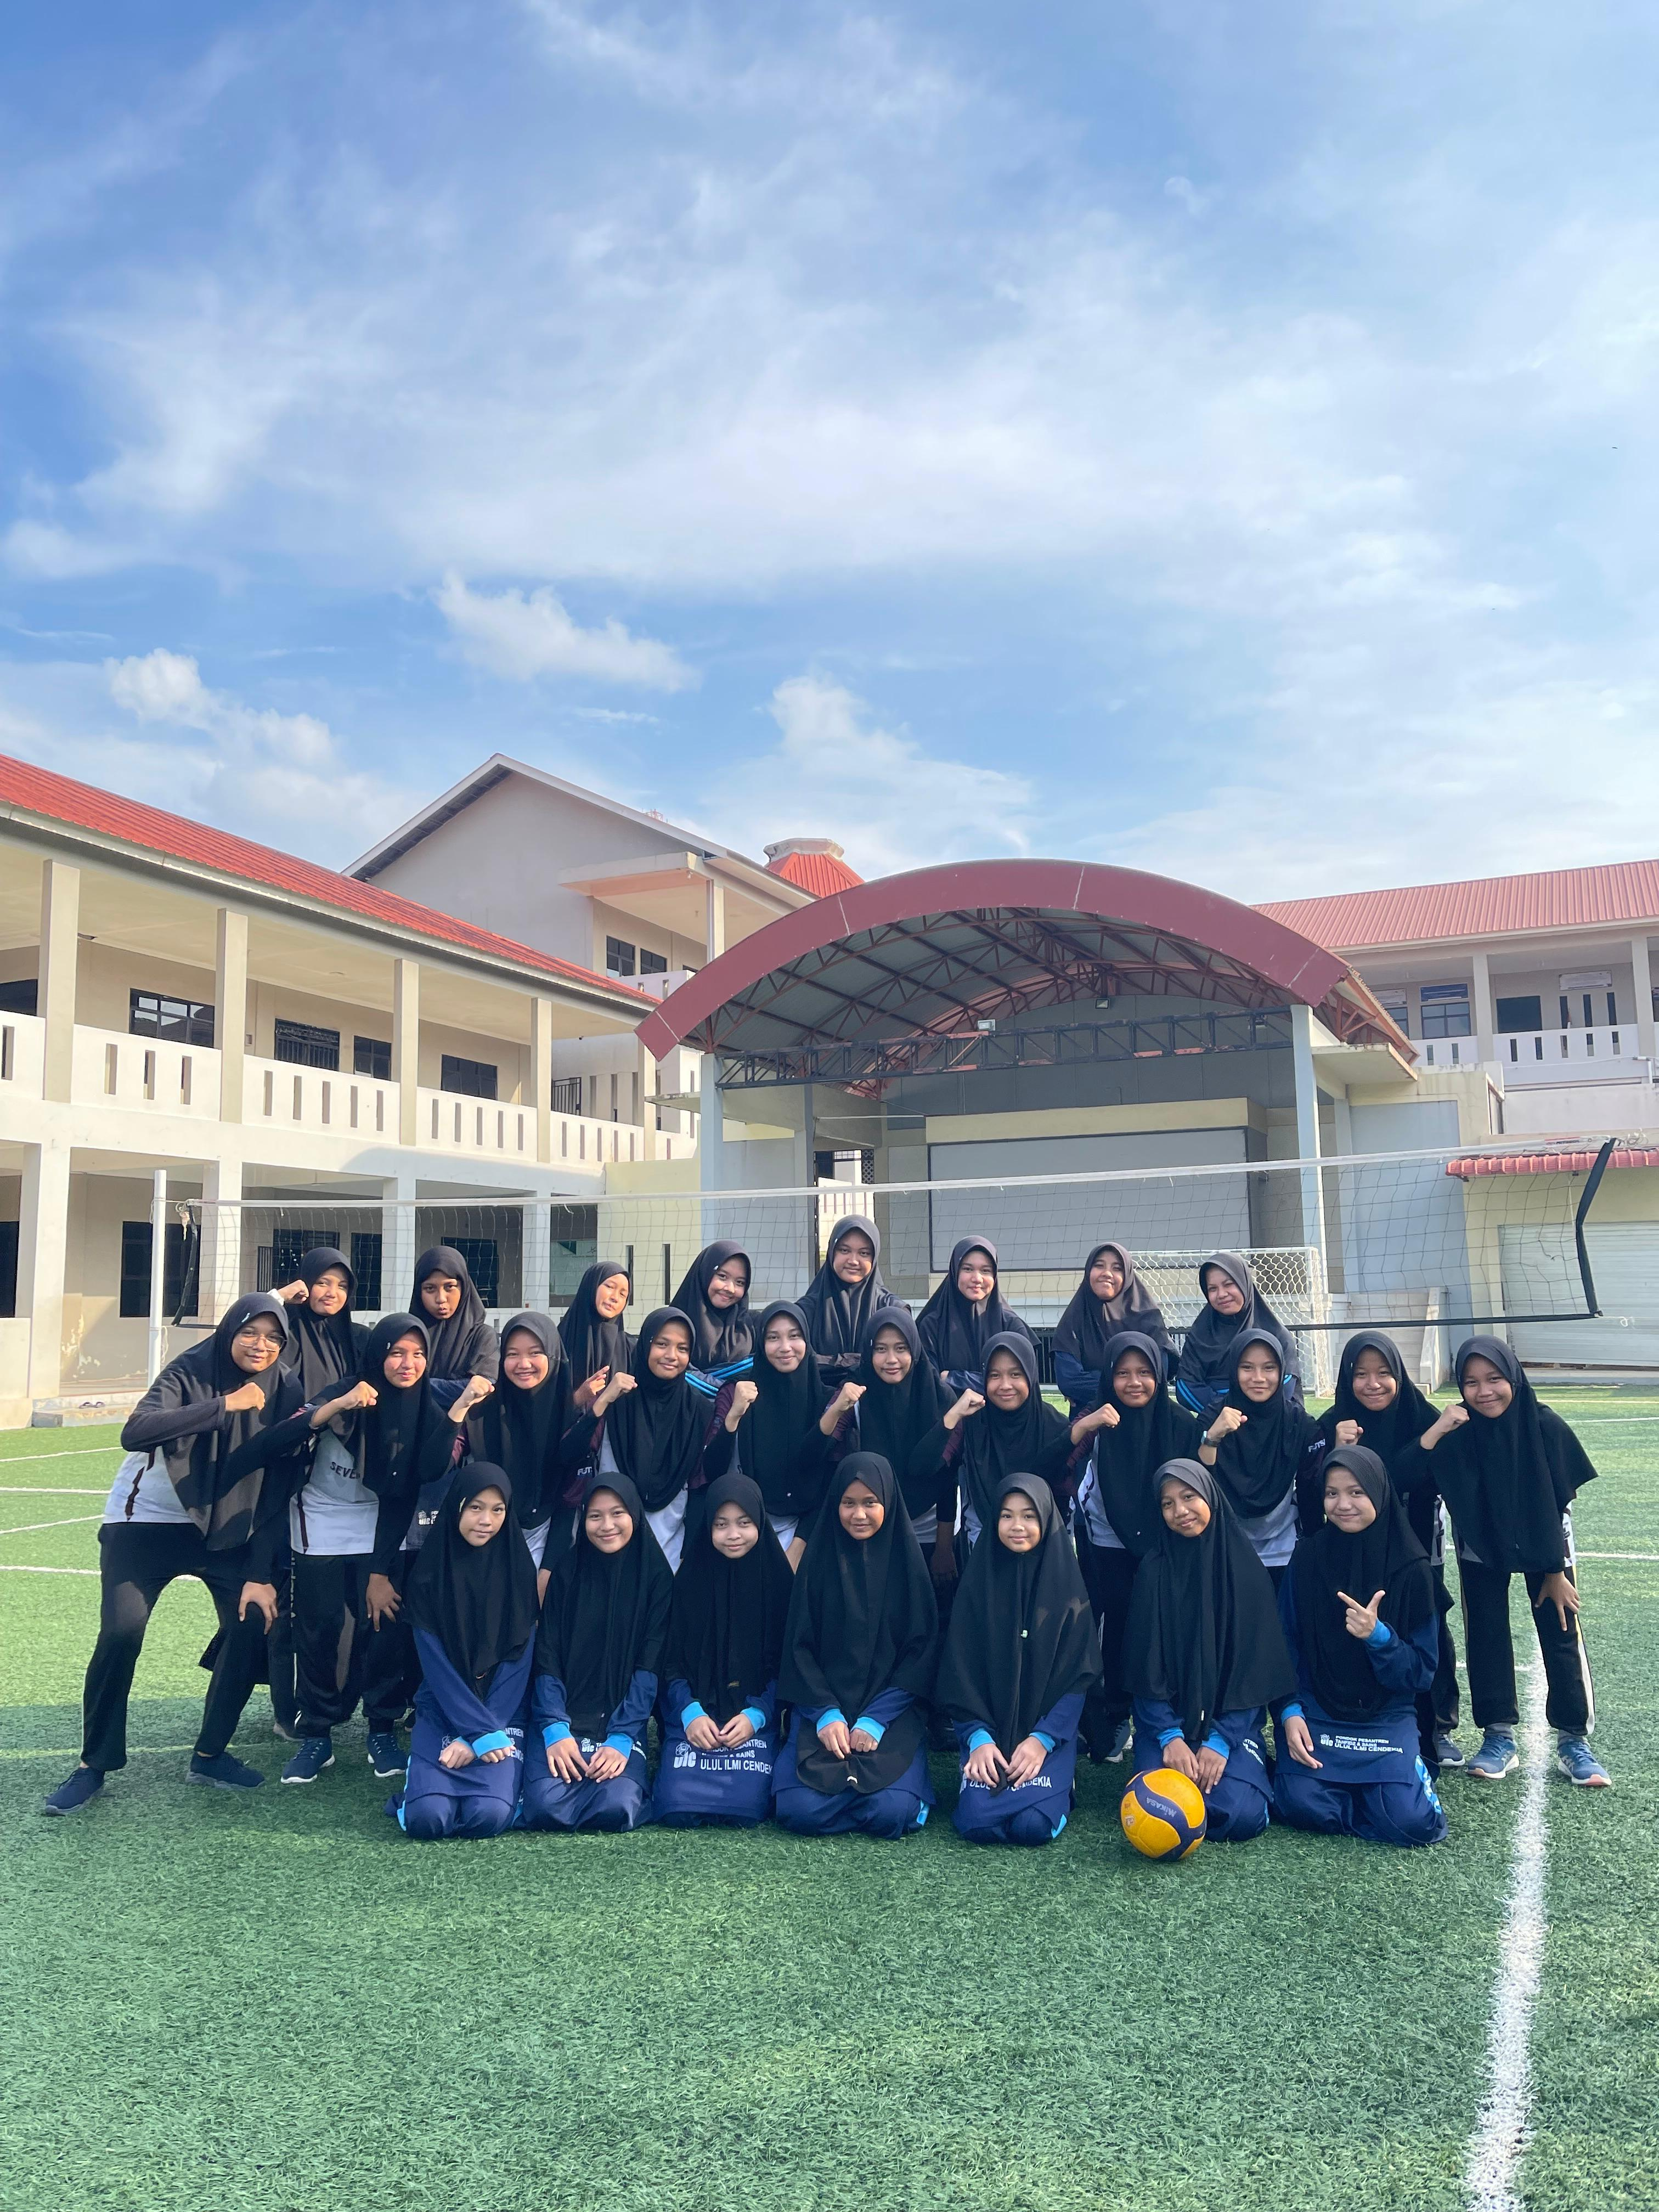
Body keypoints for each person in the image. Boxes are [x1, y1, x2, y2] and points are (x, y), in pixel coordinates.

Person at [43, 1295, 303, 1814]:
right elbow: (135, 1431)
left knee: (251, 1624)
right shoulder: (190, 1369)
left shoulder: (286, 1387)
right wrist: (225, 1406)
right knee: (121, 1633)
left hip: (225, 1529)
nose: (262, 1345)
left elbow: (281, 1484)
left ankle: (210, 1755)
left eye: (274, 1338)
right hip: (146, 1523)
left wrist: (260, 1573)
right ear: (230, 1332)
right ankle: (93, 1764)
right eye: (251, 1333)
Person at [1414, 1338, 1607, 1787]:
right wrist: (1437, 1430)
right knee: (1486, 1633)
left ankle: (1574, 1739)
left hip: (1546, 1545)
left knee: (1561, 1630)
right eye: (1471, 1382)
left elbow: (1561, 1502)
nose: (1484, 1392)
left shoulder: (1545, 1425)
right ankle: (1498, 1735)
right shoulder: (1459, 1434)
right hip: (1480, 1546)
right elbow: (1410, 1474)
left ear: (1514, 1379)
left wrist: (1556, 1570)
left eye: (1495, 1379)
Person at [1273, 1447, 1447, 1847]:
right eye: (1331, 1494)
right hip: (1318, 1712)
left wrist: (1379, 1638)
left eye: (1356, 1492)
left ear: (1379, 1493)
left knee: (1411, 1823)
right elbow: (1285, 1644)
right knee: (1301, 1806)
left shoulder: (1413, 1569)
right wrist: (1289, 1711)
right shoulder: (1308, 1557)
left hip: (1385, 1716)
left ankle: (1391, 1780)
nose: (1343, 1505)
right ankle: (1365, 1794)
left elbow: (1421, 1672)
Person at [1123, 1461, 1297, 1842]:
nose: (1180, 1511)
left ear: (1211, 1498)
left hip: (1230, 1729)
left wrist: (1220, 1742)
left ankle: (1247, 1767)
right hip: (1167, 1727)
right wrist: (1170, 1737)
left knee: (1237, 1817)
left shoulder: (1246, 1570)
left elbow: (1255, 1670)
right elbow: (1144, 1669)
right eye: (1167, 1504)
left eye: (1189, 1497)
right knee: (1156, 1810)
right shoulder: (1153, 1571)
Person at [773, 1454, 939, 1838]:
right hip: (822, 1708)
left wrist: (876, 1718)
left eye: (870, 1503)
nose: (858, 1514)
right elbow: (798, 1648)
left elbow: (921, 1653)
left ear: (889, 1504)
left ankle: (867, 1800)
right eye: (848, 1503)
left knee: (891, 1813)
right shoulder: (817, 1565)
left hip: (891, 1713)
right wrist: (825, 1714)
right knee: (798, 1810)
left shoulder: (909, 1569)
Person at [1321, 1331, 1465, 1771]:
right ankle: (1354, 1714)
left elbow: (1404, 1479)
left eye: (1384, 1373)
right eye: (1361, 1374)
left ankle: (1438, 1726)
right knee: (1354, 1626)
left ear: (1400, 1376)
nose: (1373, 1384)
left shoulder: (1423, 1417)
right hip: (1351, 1547)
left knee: (1426, 1628)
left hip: (1416, 1545)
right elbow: (1320, 1489)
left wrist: (1434, 1433)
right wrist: (1336, 1448)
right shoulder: (1334, 1424)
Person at [937, 1475, 1102, 1847]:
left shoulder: (1070, 1593)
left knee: (1033, 1826)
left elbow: (1079, 1677)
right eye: (1007, 1515)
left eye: (1029, 1516)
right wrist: (977, 1738)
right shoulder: (976, 1586)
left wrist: (1043, 1740)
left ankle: (1063, 1782)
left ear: (1046, 1520)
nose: (1017, 1526)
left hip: (1045, 1737)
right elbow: (959, 1672)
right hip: (989, 1734)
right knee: (976, 1824)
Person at [1073, 1331, 1203, 1763]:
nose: (1134, 1382)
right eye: (1123, 1373)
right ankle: (1113, 1714)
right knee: (1115, 1625)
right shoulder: (1098, 1420)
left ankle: (1166, 1710)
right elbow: (1059, 1458)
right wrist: (1085, 1428)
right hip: (1108, 1540)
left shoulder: (1181, 1423)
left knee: (1160, 1624)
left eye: (1145, 1372)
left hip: (1166, 1541)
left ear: (1160, 1376)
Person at [395, 1465, 540, 1841]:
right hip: (444, 1707)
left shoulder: (520, 1572)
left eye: (497, 1510)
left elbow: (518, 1662)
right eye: (475, 1507)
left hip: (502, 1710)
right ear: (456, 1507)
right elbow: (436, 1668)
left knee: (488, 1817)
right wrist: (475, 1732)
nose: (486, 1520)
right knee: (428, 1820)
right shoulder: (428, 1574)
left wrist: (486, 1731)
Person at [522, 1473, 672, 1833]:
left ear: (635, 1515)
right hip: (564, 1716)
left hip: (622, 1720)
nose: (607, 1526)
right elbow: (547, 1656)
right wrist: (555, 1727)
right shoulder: (567, 1571)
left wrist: (622, 1737)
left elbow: (650, 1666)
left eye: (617, 1513)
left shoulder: (656, 1578)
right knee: (544, 1808)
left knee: (616, 1807)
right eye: (595, 1516)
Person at [651, 1472, 794, 1827]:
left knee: (747, 1808)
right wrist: (689, 1712)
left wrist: (758, 1715)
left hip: (753, 1718)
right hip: (695, 1716)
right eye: (722, 1524)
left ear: (760, 1521)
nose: (733, 1534)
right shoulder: (687, 1584)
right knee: (675, 1807)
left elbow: (791, 1665)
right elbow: (668, 1662)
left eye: (744, 1523)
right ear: (707, 1526)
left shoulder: (781, 1585)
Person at [353, 1316, 456, 1776]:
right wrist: (378, 1571)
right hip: (370, 1540)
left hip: (426, 1539)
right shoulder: (359, 1405)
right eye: (397, 1353)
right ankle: (379, 1727)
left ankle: (423, 1714)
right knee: (383, 1633)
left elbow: (426, 1475)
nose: (407, 1363)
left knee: (427, 1633)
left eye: (418, 1354)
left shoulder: (434, 1408)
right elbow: (392, 1492)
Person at [561, 1308, 715, 1571]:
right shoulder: (618, 1400)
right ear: (645, 1345)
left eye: (682, 1348)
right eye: (662, 1344)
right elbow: (568, 1455)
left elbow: (700, 1484)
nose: (671, 1355)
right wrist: (603, 1402)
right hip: (608, 1539)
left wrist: (689, 1552)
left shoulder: (699, 1410)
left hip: (670, 1548)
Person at [922, 1334, 1104, 1550]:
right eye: (995, 1375)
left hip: (1046, 1539)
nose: (1005, 1385)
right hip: (984, 1538)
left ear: (1031, 1375)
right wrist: (953, 1415)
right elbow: (925, 1467)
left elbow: (1061, 1489)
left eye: (1016, 1374)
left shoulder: (1055, 1425)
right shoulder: (973, 1423)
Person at [709, 1301, 861, 1560]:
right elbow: (713, 1470)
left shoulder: (829, 1401)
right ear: (761, 1343)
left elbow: (830, 1479)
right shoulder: (738, 1393)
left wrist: (800, 1545)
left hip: (813, 1532)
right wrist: (734, 1416)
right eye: (773, 1338)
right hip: (746, 1530)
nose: (785, 1347)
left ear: (807, 1341)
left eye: (794, 1336)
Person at [443, 1311, 570, 1576]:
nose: (524, 1363)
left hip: (550, 1543)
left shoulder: (569, 1416)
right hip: (486, 1540)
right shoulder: (481, 1412)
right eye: (512, 1354)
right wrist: (461, 1406)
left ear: (553, 1355)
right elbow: (436, 1466)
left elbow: (569, 1497)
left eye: (535, 1353)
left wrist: (547, 1570)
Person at [1195, 1330, 1324, 1578]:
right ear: (1234, 1370)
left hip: (1285, 1547)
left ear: (1281, 1371)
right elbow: (1200, 1484)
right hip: (1225, 1545)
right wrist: (1213, 1437)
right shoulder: (1213, 1418)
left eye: (1269, 1368)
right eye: (1247, 1368)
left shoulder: (1298, 1424)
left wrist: (1314, 1550)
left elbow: (1312, 1492)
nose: (1259, 1378)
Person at [851, 1308, 955, 1581]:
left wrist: (944, 1547)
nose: (891, 1360)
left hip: (928, 1526)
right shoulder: (856, 1397)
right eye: (881, 1349)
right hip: (868, 1526)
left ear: (915, 1350)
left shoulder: (940, 1397)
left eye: (901, 1348)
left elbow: (948, 1477)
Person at [1174, 1252, 1300, 1419]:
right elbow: (1186, 1388)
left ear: (1244, 1283)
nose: (1221, 1294)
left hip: (1271, 1424)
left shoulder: (1276, 1334)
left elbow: (1285, 1387)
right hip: (1219, 1423)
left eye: (1229, 1284)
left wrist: (1244, 1413)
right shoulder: (1200, 1336)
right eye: (1213, 1289)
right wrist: (1225, 1412)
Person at [1052, 1243, 1174, 1411]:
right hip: (1090, 1418)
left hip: (1145, 1417)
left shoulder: (1149, 1319)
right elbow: (1069, 1381)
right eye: (1099, 1266)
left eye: (1117, 1268)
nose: (1107, 1273)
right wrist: (1131, 1388)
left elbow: (1159, 1376)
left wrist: (1096, 1379)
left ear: (1128, 1275)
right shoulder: (1073, 1321)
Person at [915, 1237, 1032, 1393]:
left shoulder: (1011, 1326)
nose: (977, 1278)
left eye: (986, 1271)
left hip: (1001, 1409)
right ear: (955, 1272)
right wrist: (987, 1381)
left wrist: (952, 1378)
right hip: (950, 1408)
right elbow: (929, 1381)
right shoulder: (932, 1326)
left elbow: (1024, 1381)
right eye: (968, 1269)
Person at [795, 1215, 901, 1385]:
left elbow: (901, 1362)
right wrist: (862, 1360)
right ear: (832, 1252)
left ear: (874, 1258)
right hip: (821, 1399)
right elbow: (801, 1363)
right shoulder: (805, 1311)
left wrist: (831, 1362)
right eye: (844, 1251)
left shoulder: (892, 1310)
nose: (853, 1261)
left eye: (864, 1253)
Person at [669, 1241, 754, 1398]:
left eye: (740, 1282)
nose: (730, 1288)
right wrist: (730, 1390)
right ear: (705, 1273)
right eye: (722, 1277)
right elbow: (674, 1372)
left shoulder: (751, 1326)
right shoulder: (673, 1323)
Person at [409, 1245, 499, 1385]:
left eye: (450, 1287)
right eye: (430, 1288)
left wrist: (414, 1387)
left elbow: (482, 1386)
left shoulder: (482, 1336)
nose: (441, 1299)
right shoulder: (408, 1336)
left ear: (464, 1287)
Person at [557, 1260, 633, 1410]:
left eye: (623, 1294)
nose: (615, 1298)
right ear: (591, 1286)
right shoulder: (558, 1344)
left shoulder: (631, 1350)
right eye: (610, 1287)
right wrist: (578, 1398)